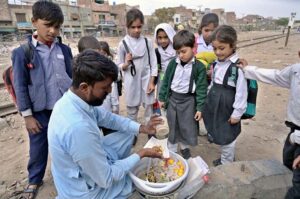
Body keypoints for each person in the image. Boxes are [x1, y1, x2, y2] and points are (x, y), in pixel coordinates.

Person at [48, 49, 163, 199]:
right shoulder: (78, 128)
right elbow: (106, 179)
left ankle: (115, 164)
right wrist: (142, 153)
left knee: (128, 133)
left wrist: (142, 128)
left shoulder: (72, 100)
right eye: (105, 87)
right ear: (84, 87)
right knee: (133, 181)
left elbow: (109, 119)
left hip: (81, 162)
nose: (109, 90)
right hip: (82, 191)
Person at [12, 1, 73, 198]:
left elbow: (71, 77)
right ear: (34, 22)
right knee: (38, 146)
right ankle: (34, 179)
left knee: (67, 142)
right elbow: (20, 86)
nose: (53, 31)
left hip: (63, 109)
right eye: (48, 25)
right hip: (39, 112)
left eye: (57, 27)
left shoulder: (64, 50)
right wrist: (27, 116)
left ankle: (70, 173)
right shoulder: (23, 53)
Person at [238, 50, 300, 199]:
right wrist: (248, 70)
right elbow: (276, 76)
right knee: (288, 165)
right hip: (294, 131)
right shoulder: (296, 71)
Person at [202, 25, 248, 166]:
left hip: (228, 109)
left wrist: (237, 114)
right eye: (215, 49)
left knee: (227, 136)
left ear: (232, 45)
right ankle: (224, 158)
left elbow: (241, 93)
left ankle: (227, 162)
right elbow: (213, 84)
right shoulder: (216, 64)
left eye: (221, 48)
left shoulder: (237, 68)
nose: (217, 52)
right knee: (219, 132)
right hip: (216, 107)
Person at [158, 30, 208, 159]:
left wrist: (199, 108)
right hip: (173, 99)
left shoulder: (199, 67)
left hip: (188, 102)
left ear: (193, 48)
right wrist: (162, 98)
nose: (180, 55)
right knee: (172, 125)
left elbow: (202, 89)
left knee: (186, 126)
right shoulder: (172, 64)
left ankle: (184, 147)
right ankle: (172, 149)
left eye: (184, 51)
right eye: (178, 52)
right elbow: (165, 82)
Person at [117, 8, 157, 142]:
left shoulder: (147, 42)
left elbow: (153, 63)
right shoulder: (122, 44)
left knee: (149, 109)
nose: (136, 30)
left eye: (139, 27)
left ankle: (151, 132)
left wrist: (152, 81)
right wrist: (126, 63)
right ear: (127, 27)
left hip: (146, 80)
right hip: (131, 81)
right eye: (133, 27)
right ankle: (132, 134)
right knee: (132, 111)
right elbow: (119, 66)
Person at [78, 37, 120, 114]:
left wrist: (115, 109)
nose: (96, 59)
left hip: (106, 114)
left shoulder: (107, 73)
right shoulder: (77, 78)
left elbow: (113, 95)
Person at [154, 23, 176, 96]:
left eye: (166, 37)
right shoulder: (157, 52)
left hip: (175, 79)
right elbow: (157, 68)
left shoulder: (177, 51)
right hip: (162, 79)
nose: (163, 41)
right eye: (160, 38)